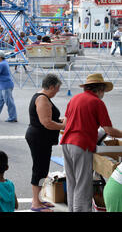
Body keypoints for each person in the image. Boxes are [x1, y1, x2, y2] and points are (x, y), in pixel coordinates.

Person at [60, 73, 122, 212]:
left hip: (66, 143)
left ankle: (72, 209)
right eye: (103, 91)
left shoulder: (74, 99)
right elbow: (109, 130)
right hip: (81, 145)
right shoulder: (97, 102)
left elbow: (64, 122)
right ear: (99, 89)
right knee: (83, 184)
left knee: (72, 182)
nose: (103, 94)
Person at [25, 74, 66, 212]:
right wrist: (63, 126)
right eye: (57, 88)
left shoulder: (43, 97)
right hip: (38, 138)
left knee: (43, 169)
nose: (58, 91)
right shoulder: (42, 98)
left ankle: (39, 199)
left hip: (41, 138)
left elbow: (48, 118)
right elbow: (46, 122)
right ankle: (35, 203)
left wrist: (60, 121)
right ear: (51, 86)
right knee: (39, 169)